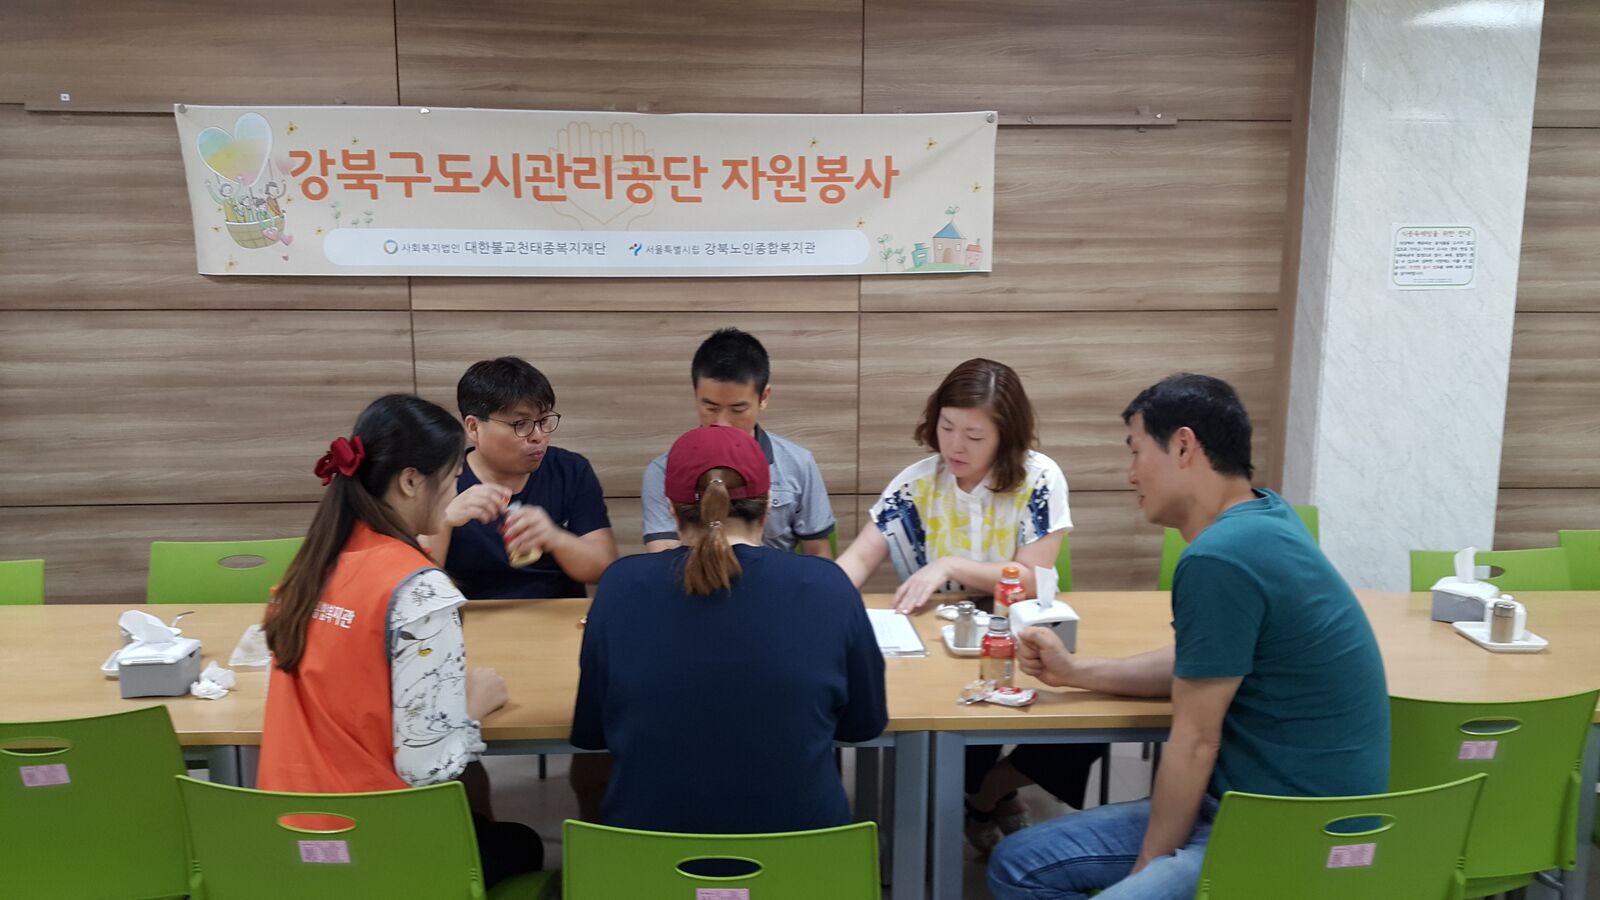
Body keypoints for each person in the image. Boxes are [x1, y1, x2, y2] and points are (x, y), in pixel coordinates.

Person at [987, 374, 1390, 900]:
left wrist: (1146, 870)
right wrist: (1075, 672)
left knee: (1054, 876)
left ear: (1183, 446)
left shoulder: (1218, 557)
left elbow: (1196, 742)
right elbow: (1203, 661)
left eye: (1136, 451)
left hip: (1282, 833)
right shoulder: (1266, 515)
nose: (1131, 474)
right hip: (1276, 810)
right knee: (1017, 863)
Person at [258, 394, 543, 888]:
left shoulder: (308, 568)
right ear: (411, 481)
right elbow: (427, 769)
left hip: (283, 843)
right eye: (453, 477)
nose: (456, 490)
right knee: (522, 842)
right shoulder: (419, 590)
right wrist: (472, 710)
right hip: (374, 850)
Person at [834, 358, 1098, 855]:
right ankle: (975, 798)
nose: (955, 445)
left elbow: (1031, 576)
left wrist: (949, 565)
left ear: (1006, 436)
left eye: (974, 436)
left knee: (1085, 724)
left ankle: (988, 791)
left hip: (1026, 640)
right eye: (946, 427)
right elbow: (857, 561)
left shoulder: (1039, 478)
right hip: (943, 650)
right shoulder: (917, 484)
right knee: (957, 722)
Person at [573, 424, 887, 832]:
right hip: (805, 857)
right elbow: (863, 724)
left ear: (671, 510)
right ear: (768, 506)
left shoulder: (619, 587)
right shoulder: (828, 585)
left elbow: (594, 730)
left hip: (649, 859)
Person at [426, 356, 617, 600]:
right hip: (473, 617)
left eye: (544, 421)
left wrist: (555, 539)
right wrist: (444, 522)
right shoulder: (441, 480)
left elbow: (604, 569)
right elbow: (420, 585)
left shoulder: (570, 470)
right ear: (473, 427)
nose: (538, 436)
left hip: (557, 615)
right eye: (521, 424)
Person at [643, 328, 835, 555]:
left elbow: (818, 554)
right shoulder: (664, 471)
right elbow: (663, 556)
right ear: (695, 396)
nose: (722, 423)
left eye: (738, 409)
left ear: (764, 398)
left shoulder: (798, 464)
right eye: (711, 408)